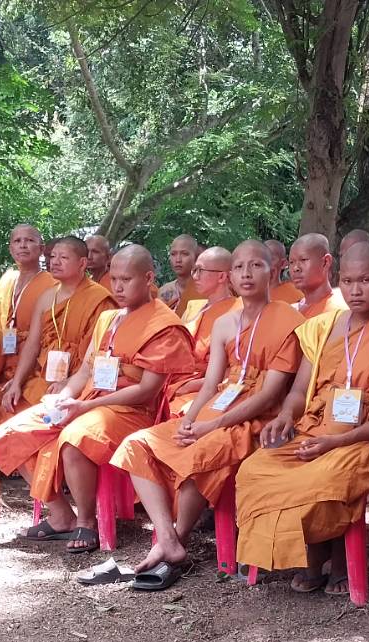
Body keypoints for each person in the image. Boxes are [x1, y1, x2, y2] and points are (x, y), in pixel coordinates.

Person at [233, 241, 369, 592]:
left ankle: (336, 558)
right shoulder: (323, 327)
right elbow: (298, 391)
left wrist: (336, 441)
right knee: (254, 469)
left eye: (366, 280)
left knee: (324, 478)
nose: (356, 290)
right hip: (313, 431)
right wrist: (284, 416)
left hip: (368, 438)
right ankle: (312, 553)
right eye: (349, 281)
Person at [107, 240, 304, 586]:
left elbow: (272, 392)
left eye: (256, 265)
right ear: (230, 274)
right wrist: (188, 420)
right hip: (214, 409)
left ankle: (176, 539)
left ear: (273, 270)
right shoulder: (226, 324)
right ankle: (166, 539)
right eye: (240, 266)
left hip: (253, 417)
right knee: (137, 444)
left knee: (200, 453)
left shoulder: (290, 320)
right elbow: (212, 383)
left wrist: (211, 425)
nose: (246, 273)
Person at [0, 244, 196, 553]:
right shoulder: (108, 319)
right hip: (87, 401)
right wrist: (63, 398)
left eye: (127, 280)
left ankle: (86, 521)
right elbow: (85, 372)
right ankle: (60, 515)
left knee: (74, 437)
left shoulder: (163, 325)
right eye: (115, 279)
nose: (118, 287)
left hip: (128, 410)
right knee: (11, 433)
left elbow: (147, 390)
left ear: (148, 278)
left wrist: (85, 407)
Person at [0, 235, 116, 424]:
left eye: (64, 258)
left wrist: (69, 383)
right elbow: (33, 345)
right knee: (10, 409)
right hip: (43, 378)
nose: (55, 262)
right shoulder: (46, 298)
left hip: (79, 383)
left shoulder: (99, 299)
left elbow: (99, 355)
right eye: (53, 257)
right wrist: (17, 382)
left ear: (82, 263)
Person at [0, 224, 58, 412]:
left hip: (32, 368)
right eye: (17, 241)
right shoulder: (8, 279)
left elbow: (48, 338)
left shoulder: (52, 284)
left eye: (30, 240)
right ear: (11, 248)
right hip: (1, 360)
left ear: (41, 249)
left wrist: (20, 379)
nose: (23, 245)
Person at [172, 247, 238, 411]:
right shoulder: (195, 308)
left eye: (200, 270)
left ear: (222, 276)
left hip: (207, 388)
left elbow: (234, 370)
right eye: (194, 270)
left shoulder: (238, 311)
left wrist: (189, 386)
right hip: (179, 382)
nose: (195, 276)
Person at [287, 233, 346, 317]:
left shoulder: (339, 309)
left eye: (303, 260)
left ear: (326, 262)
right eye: (291, 262)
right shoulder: (291, 311)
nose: (295, 268)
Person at [158, 234, 201, 313]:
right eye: (173, 254)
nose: (178, 260)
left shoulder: (205, 289)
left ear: (196, 257)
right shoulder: (164, 291)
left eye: (184, 254)